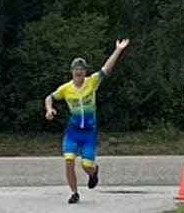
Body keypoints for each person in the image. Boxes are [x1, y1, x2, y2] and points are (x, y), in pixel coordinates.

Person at [44, 39, 130, 204]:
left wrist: (118, 50)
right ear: (71, 72)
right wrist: (49, 109)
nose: (79, 73)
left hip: (89, 132)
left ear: (85, 72)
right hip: (73, 131)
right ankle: (74, 193)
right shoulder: (66, 89)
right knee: (69, 161)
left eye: (82, 70)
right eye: (76, 70)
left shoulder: (92, 82)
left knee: (86, 165)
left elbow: (106, 69)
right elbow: (49, 97)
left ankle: (94, 171)